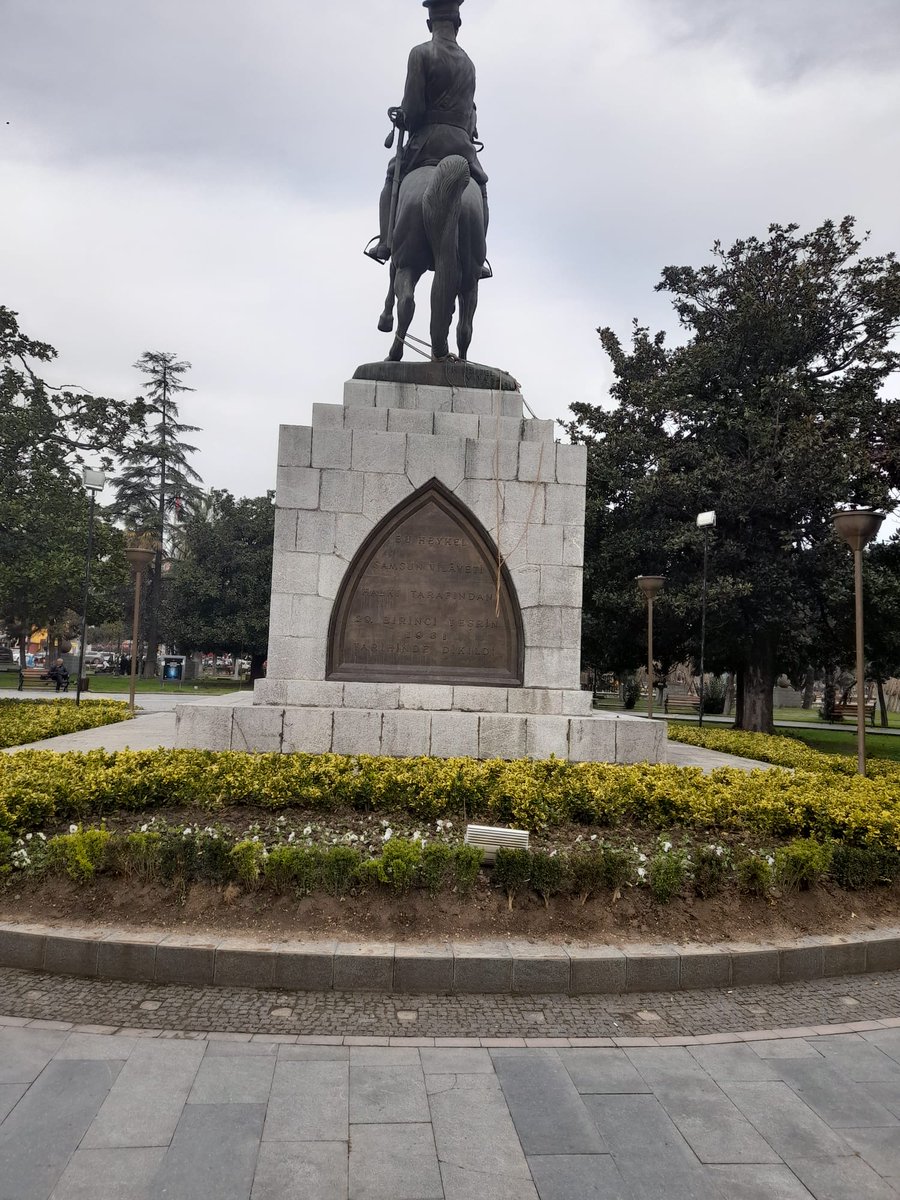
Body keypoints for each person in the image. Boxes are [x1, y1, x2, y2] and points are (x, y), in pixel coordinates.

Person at [365, 0, 491, 276]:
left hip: (426, 144)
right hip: (461, 148)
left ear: (429, 24)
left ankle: (385, 242)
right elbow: (469, 112)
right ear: (458, 25)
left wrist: (403, 116)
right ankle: (478, 260)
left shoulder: (420, 53)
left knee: (391, 176)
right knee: (480, 188)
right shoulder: (469, 64)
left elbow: (413, 108)